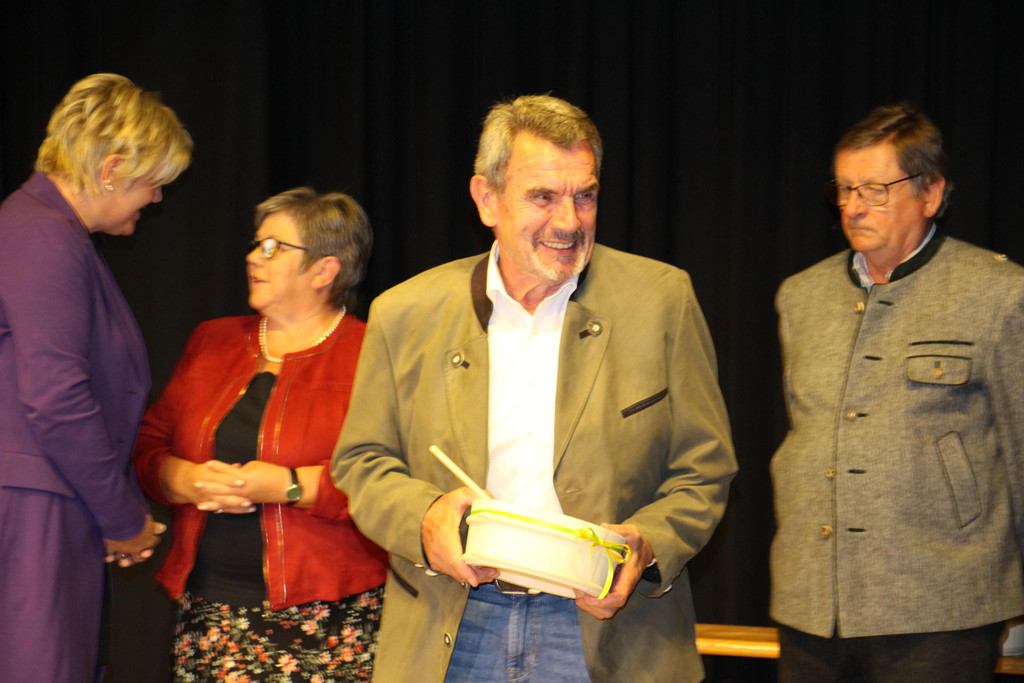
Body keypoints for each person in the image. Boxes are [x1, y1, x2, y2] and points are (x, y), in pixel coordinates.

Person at [331, 94, 737, 682]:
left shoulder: (661, 300)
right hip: (451, 630)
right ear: (486, 199)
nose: (569, 221)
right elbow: (362, 462)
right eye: (543, 197)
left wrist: (648, 543)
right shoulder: (406, 313)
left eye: (585, 196)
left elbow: (706, 467)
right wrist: (423, 520)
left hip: (610, 635)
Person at [771, 103, 1024, 681]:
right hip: (812, 606)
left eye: (875, 190)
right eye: (844, 188)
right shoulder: (801, 296)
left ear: (930, 193)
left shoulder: (1000, 294)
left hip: (940, 609)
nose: (853, 206)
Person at [133, 187, 387, 681]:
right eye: (255, 244)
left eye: (273, 248)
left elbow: (392, 479)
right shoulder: (212, 340)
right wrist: (184, 479)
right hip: (208, 614)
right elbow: (147, 445)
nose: (253, 257)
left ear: (324, 270)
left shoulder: (372, 352)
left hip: (327, 620)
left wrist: (290, 486)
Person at [0, 73, 190, 683]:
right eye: (154, 183)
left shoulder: (49, 232)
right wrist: (123, 519)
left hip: (48, 506)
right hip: (34, 510)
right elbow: (56, 397)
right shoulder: (41, 232)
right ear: (111, 170)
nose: (155, 199)